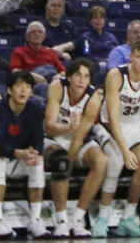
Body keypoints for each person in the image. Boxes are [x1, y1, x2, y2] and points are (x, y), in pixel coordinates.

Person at [101, 42, 140, 237]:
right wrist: (125, 150)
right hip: (108, 126)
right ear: (130, 57)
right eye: (139, 56)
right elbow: (112, 117)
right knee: (116, 162)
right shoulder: (116, 75)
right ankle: (102, 218)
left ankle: (128, 218)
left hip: (134, 125)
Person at [43, 58, 110, 238]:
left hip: (78, 139)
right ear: (69, 77)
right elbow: (49, 125)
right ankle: (62, 221)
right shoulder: (57, 87)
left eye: (86, 76)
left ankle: (78, 218)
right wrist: (68, 128)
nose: (81, 80)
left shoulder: (94, 98)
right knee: (61, 161)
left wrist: (71, 162)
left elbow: (80, 136)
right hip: (54, 136)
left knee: (102, 161)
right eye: (78, 75)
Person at [0, 72, 48, 239]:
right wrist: (17, 153)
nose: (24, 90)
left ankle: (35, 220)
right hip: (3, 158)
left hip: (21, 159)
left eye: (28, 87)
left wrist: (34, 152)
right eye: (19, 86)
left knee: (38, 162)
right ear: (8, 90)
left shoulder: (35, 109)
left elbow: (38, 139)